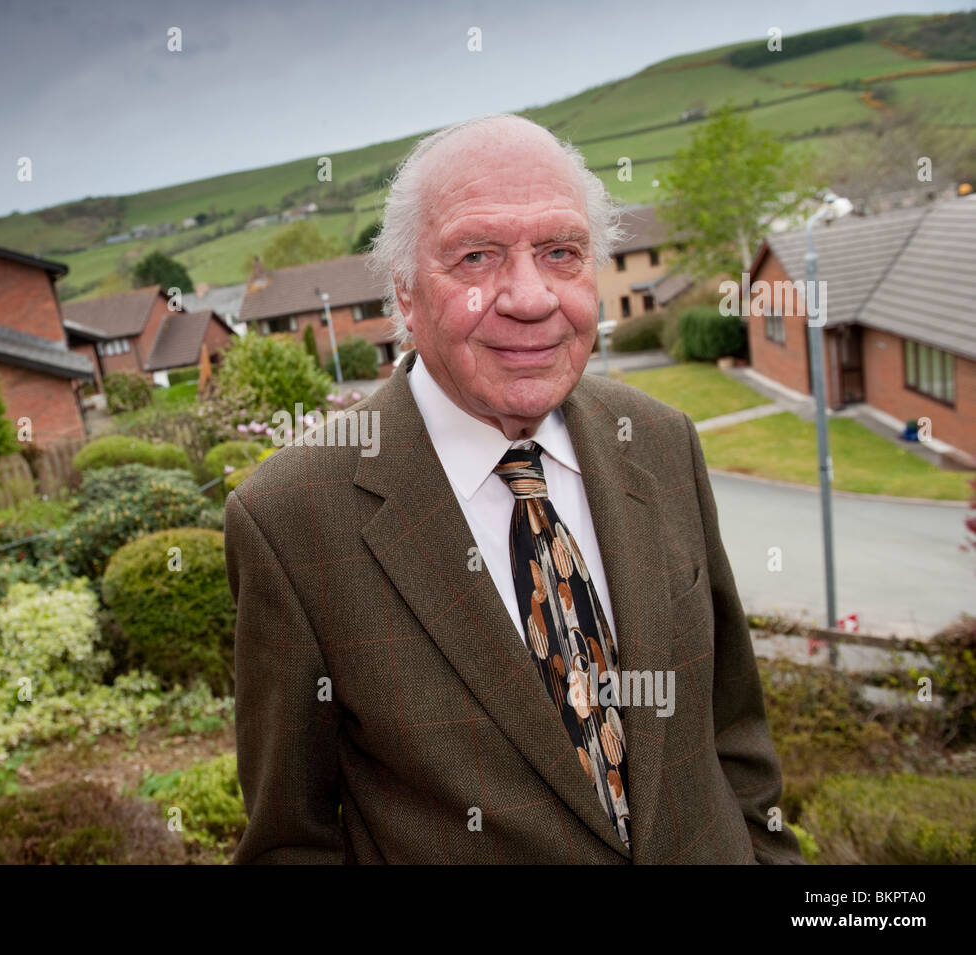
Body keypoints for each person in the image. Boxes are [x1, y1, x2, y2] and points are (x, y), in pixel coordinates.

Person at [223, 113, 803, 864]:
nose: (530, 297)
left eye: (561, 252)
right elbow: (290, 844)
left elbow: (736, 737)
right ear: (405, 295)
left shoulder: (662, 440)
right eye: (476, 256)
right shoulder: (289, 520)